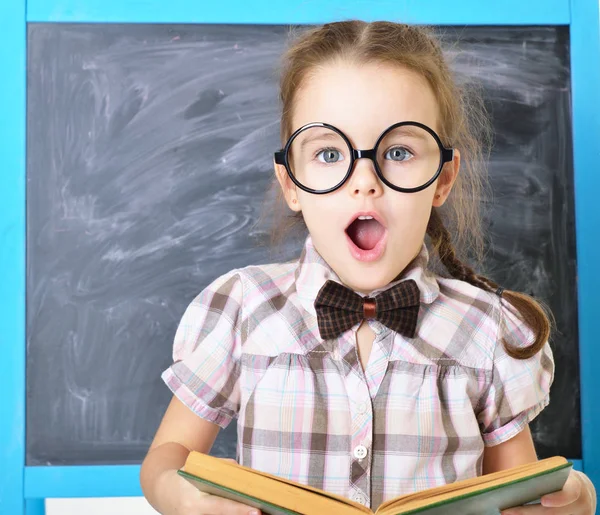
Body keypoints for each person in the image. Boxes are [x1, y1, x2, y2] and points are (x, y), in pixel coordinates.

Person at [140, 20, 597, 515]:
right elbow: (167, 457)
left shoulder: (488, 332)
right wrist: (179, 497)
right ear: (291, 182)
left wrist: (568, 502)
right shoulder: (240, 309)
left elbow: (520, 491)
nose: (364, 181)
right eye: (329, 153)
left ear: (441, 180)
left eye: (398, 152)